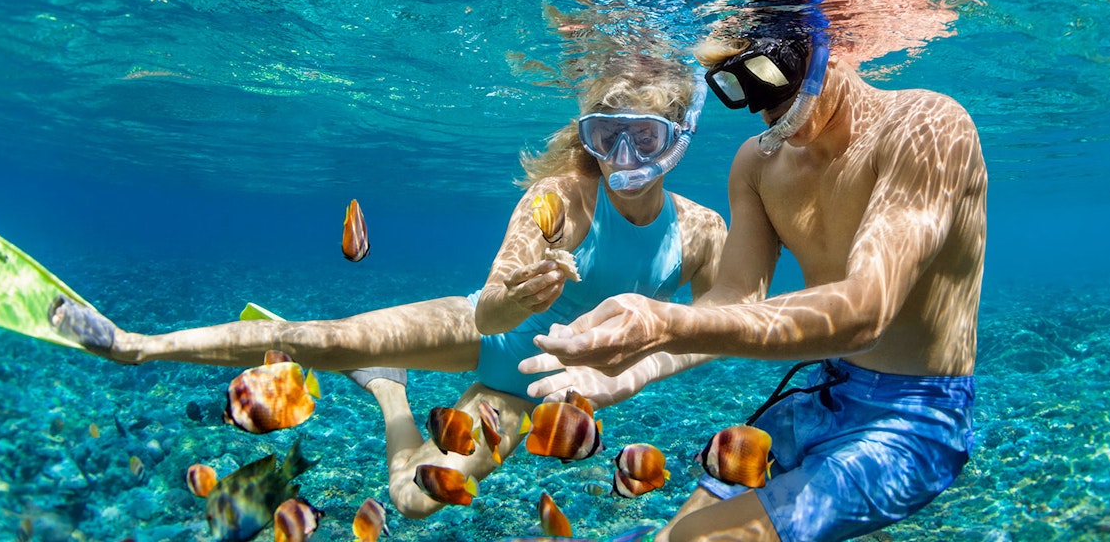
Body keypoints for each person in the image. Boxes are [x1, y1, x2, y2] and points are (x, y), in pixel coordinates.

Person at [49, 53, 727, 519]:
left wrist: (640, 363)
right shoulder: (563, 197)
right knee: (311, 339)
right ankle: (136, 344)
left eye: (644, 137)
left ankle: (386, 387)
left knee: (413, 500)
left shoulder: (701, 232)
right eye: (605, 136)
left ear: (679, 141)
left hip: (525, 393)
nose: (623, 159)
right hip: (477, 330)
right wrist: (517, 296)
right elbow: (491, 307)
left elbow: (724, 326)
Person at [524, 4, 986, 542]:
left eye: (774, 79)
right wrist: (636, 368)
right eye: (742, 90)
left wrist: (666, 326)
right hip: (823, 392)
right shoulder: (757, 164)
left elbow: (868, 310)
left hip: (914, 420)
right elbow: (734, 299)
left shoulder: (927, 125)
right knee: (675, 533)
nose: (766, 111)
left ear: (823, 50)